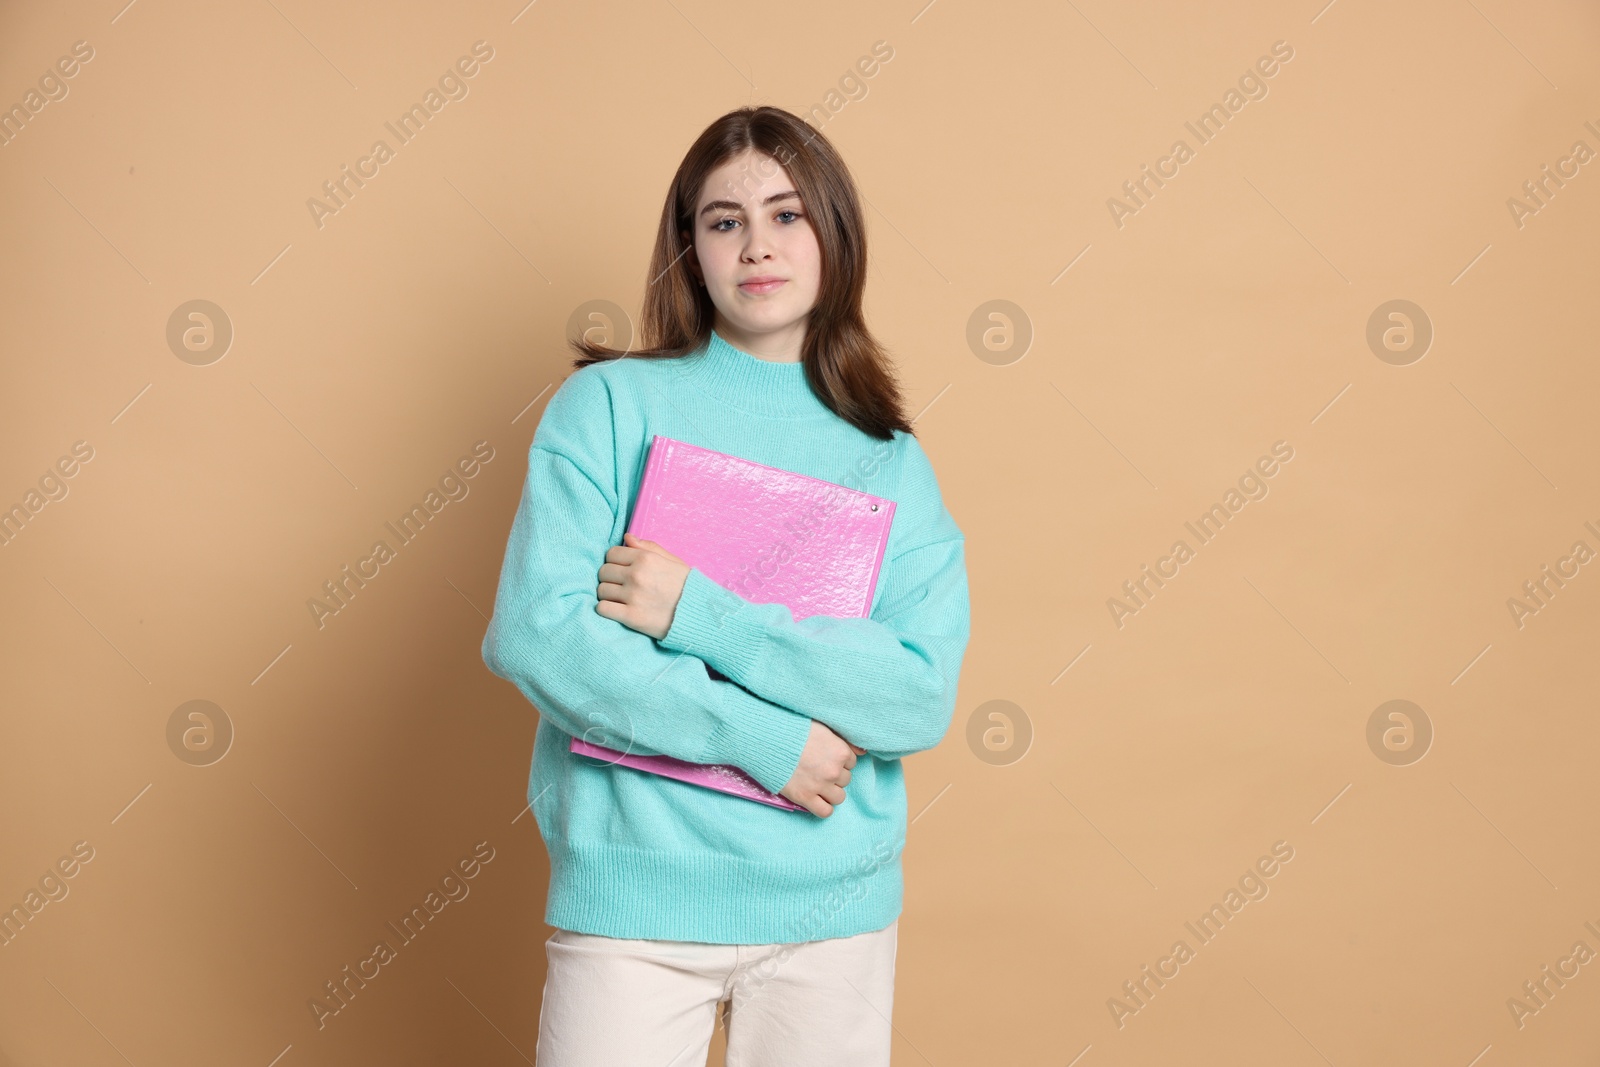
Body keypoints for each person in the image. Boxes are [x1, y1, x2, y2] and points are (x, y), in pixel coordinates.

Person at [480, 104, 971, 1067]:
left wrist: (701, 613)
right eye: (723, 220)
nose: (757, 245)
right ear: (689, 248)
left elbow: (914, 691)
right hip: (636, 896)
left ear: (835, 234)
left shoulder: (891, 461)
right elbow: (539, 633)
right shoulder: (611, 406)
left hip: (832, 913)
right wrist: (760, 737)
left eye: (788, 214)